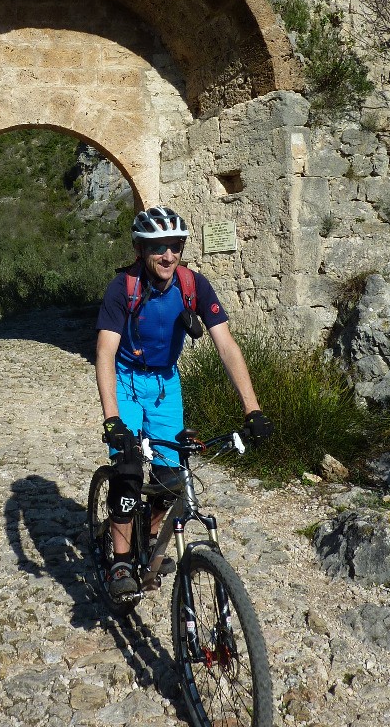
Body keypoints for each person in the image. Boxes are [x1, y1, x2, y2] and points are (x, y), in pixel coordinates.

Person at [95, 205, 273, 601]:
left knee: (169, 475)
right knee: (127, 469)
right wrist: (112, 419)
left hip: (165, 384)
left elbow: (226, 345)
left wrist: (253, 409)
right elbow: (105, 353)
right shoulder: (122, 287)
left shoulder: (194, 285)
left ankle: (152, 536)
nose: (168, 256)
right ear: (141, 249)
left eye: (175, 246)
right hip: (125, 379)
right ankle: (121, 560)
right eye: (158, 247)